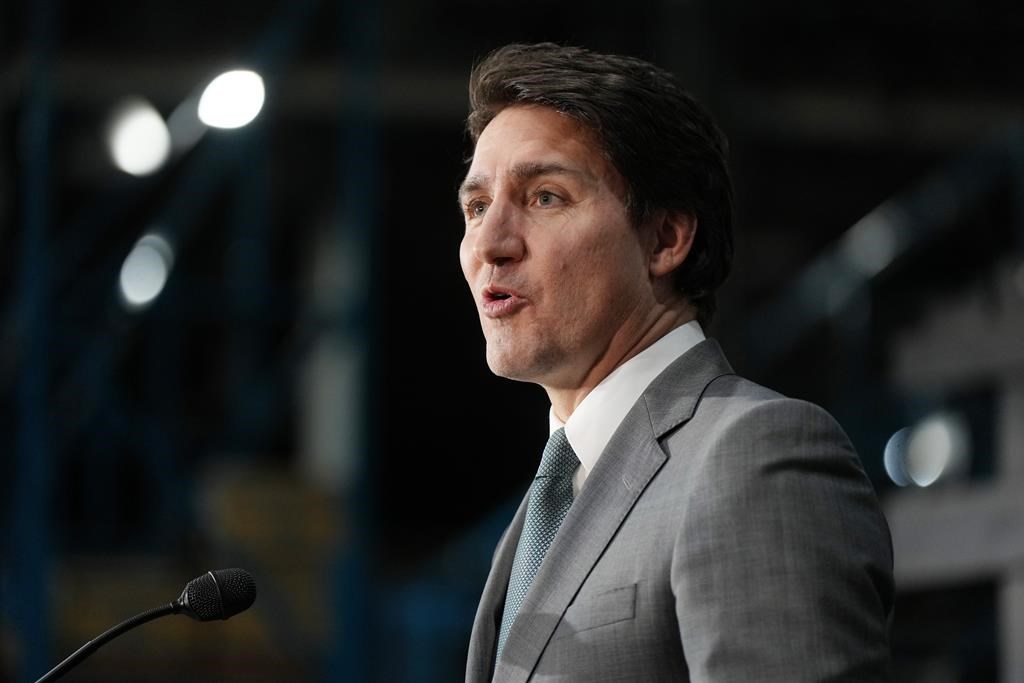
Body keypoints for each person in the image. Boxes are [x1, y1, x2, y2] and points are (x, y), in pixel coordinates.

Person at [457, 43, 893, 683]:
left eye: (545, 196)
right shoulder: (546, 507)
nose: (490, 244)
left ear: (665, 238)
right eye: (475, 207)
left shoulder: (754, 454)